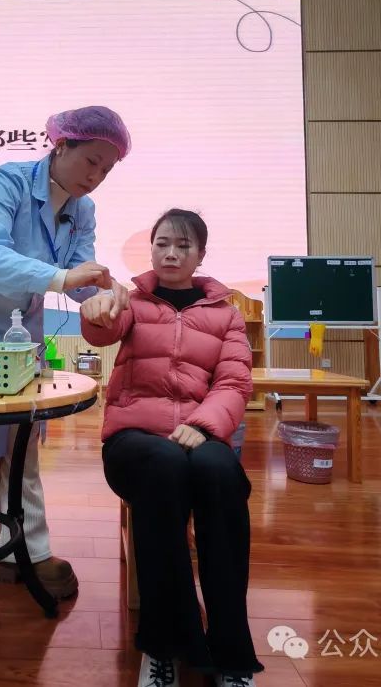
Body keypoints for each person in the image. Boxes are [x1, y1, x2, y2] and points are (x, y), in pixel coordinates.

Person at [0, 105, 132, 598]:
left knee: (21, 446)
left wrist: (105, 293)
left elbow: (79, 274)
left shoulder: (82, 210)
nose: (96, 177)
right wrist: (63, 278)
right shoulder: (7, 181)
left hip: (22, 331)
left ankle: (27, 551)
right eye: (91, 161)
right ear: (60, 146)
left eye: (107, 170)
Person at [79, 209, 264, 687]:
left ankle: (232, 653)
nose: (171, 253)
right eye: (162, 243)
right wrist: (94, 310)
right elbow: (103, 328)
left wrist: (204, 424)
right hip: (135, 440)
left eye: (183, 246)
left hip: (201, 435)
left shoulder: (227, 316)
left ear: (200, 255)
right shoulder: (133, 303)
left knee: (220, 474)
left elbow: (234, 383)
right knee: (163, 466)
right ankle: (162, 646)